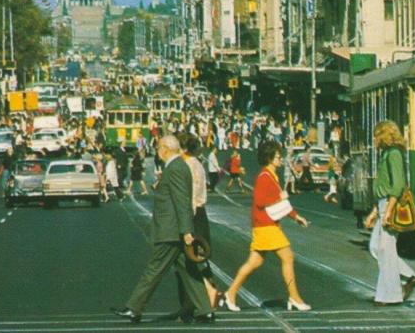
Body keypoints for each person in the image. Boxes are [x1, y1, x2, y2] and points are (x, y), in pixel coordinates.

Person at [112, 135, 214, 324]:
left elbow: (182, 202)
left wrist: (186, 232)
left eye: (159, 147)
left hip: (172, 231)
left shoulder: (175, 168)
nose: (157, 151)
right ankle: (205, 310)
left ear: (166, 148)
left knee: (154, 268)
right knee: (189, 270)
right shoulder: (177, 167)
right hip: (176, 229)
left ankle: (134, 308)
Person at [222, 141, 311, 312]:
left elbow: (281, 203)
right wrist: (280, 197)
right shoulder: (264, 176)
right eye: (278, 156)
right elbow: (261, 201)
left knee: (254, 262)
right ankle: (294, 297)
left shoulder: (272, 175)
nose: (281, 159)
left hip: (265, 225)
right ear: (269, 158)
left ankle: (230, 293)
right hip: (265, 225)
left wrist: (295, 216)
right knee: (287, 257)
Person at [365, 120, 415, 306]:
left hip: (390, 205)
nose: (374, 140)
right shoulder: (386, 154)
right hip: (382, 204)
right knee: (376, 247)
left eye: (376, 136)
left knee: (386, 250)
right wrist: (374, 212)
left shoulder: (394, 154)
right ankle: (408, 276)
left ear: (385, 135)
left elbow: (397, 185)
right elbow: (384, 186)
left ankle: (390, 295)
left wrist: (387, 210)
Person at [179, 134, 220, 310]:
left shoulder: (190, 165)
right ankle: (195, 301)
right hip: (196, 214)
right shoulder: (194, 164)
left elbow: (192, 196)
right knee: (194, 258)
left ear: (184, 149)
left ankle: (207, 292)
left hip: (193, 215)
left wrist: (186, 224)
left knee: (192, 258)